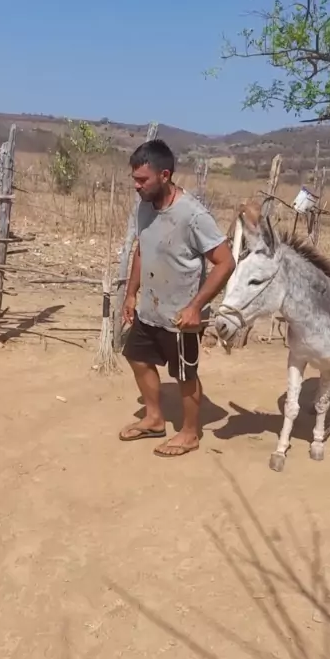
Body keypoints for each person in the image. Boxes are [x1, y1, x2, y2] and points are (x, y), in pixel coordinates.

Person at [119, 139, 235, 457]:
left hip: (182, 315)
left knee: (185, 374)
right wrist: (131, 294)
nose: (136, 185)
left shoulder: (194, 216)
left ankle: (190, 433)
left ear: (165, 175)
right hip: (150, 308)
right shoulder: (144, 206)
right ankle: (155, 419)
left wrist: (196, 307)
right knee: (137, 357)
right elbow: (142, 249)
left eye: (142, 179)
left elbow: (226, 262)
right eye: (134, 179)